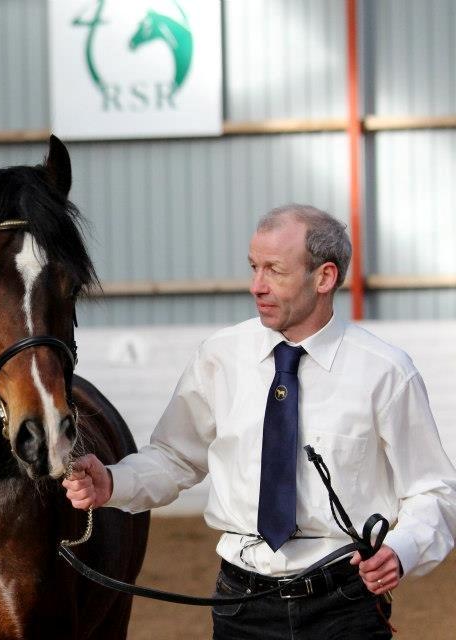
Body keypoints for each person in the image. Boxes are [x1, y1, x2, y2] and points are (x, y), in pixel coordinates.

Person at [63, 204, 456, 639]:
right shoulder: (219, 357)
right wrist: (113, 483)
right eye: (253, 267)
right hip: (239, 605)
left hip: (346, 605)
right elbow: (176, 457)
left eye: (274, 271)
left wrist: (401, 550)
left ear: (324, 277)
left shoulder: (386, 372)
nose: (256, 286)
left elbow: (433, 491)